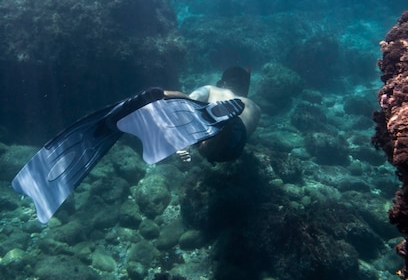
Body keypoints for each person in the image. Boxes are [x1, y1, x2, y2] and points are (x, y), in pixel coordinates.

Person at [11, 69, 258, 224]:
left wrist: (181, 144)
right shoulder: (253, 105)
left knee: (189, 102)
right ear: (244, 89)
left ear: (223, 80)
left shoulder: (212, 89)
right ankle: (224, 126)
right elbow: (246, 136)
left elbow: (189, 110)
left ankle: (164, 94)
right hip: (234, 139)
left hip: (206, 125)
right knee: (216, 146)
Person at [188, 66, 260, 162]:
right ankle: (225, 125)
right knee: (229, 131)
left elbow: (191, 100)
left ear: (222, 83)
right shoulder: (255, 107)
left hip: (213, 127)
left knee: (195, 107)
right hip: (235, 147)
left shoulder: (211, 89)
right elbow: (248, 135)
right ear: (245, 86)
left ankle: (222, 126)